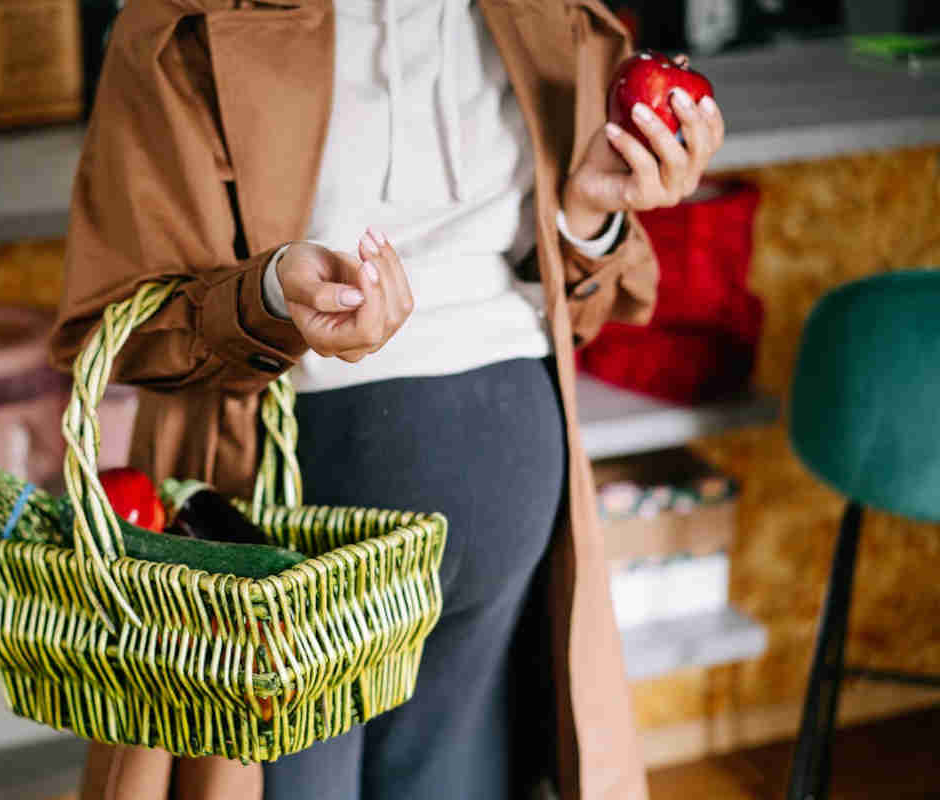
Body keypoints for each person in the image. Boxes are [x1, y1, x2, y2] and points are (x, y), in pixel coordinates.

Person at [50, 1, 724, 799]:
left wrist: (587, 216)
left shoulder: (556, 16)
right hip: (287, 542)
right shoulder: (184, 24)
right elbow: (118, 325)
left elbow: (582, 301)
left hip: (511, 500)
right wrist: (270, 293)